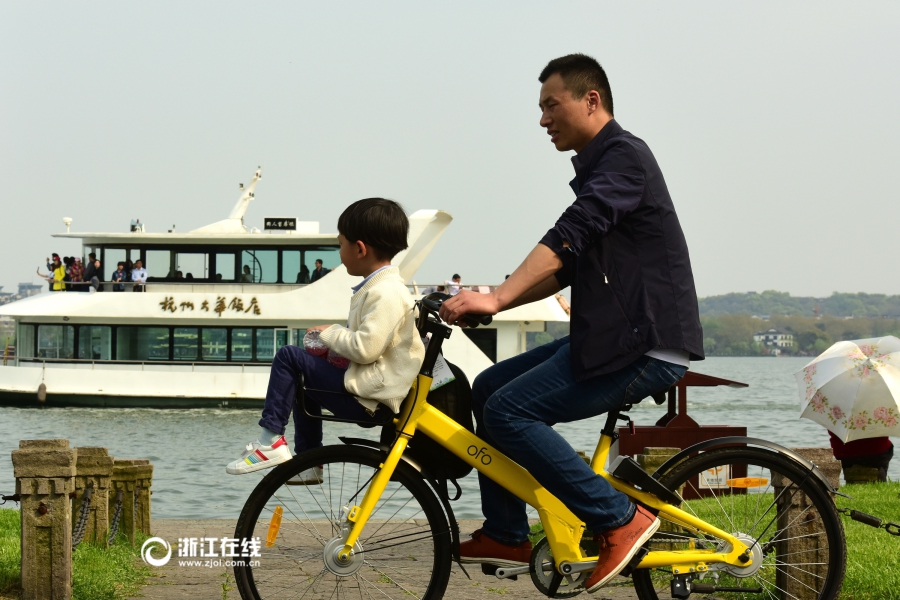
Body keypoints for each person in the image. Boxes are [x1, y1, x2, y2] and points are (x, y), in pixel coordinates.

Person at [439, 54, 704, 593]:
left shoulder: (624, 158)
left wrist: (497, 298)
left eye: (550, 105)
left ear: (591, 100)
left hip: (646, 346)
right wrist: (490, 299)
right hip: (614, 340)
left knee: (509, 412)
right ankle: (508, 531)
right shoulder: (602, 166)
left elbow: (569, 235)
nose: (542, 120)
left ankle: (619, 519)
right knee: (488, 387)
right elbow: (566, 268)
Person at [226, 198, 424, 482]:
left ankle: (270, 441)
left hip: (368, 399)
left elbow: (366, 348)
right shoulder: (381, 288)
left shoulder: (386, 292)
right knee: (300, 378)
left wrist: (329, 333)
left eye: (341, 243)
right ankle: (308, 463)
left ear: (359, 248)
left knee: (288, 357)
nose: (339, 251)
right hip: (368, 391)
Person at [829, 432, 893, 482]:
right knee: (887, 449)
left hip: (844, 452)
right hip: (875, 450)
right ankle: (880, 474)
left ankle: (848, 470)